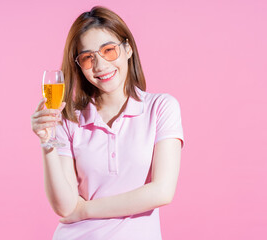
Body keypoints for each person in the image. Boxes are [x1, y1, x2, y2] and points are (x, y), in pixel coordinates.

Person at [30, 6, 184, 240]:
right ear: (79, 66)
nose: (100, 65)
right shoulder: (70, 119)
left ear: (128, 48)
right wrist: (47, 142)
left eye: (109, 50)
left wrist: (85, 210)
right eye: (88, 57)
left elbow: (162, 192)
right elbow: (64, 206)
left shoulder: (160, 108)